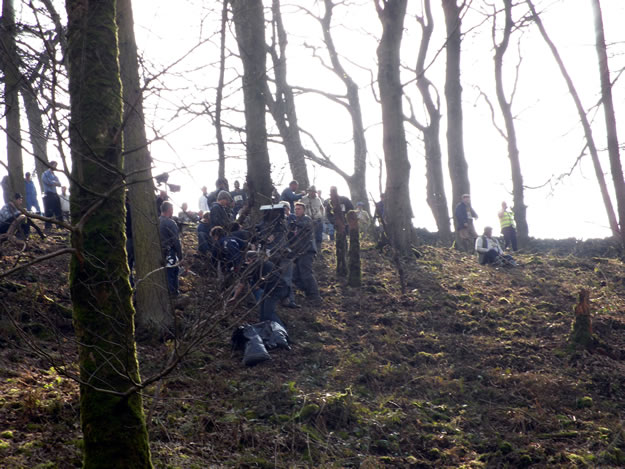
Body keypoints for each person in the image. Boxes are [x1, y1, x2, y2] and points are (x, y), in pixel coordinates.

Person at [289, 202, 321, 306]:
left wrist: (295, 224)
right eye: (296, 209)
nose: (297, 211)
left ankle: (315, 296)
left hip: (307, 251)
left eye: (299, 209)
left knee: (307, 274)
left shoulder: (306, 219)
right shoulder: (295, 222)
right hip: (298, 252)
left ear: (303, 210)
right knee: (295, 276)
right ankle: (308, 292)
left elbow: (306, 227)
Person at [159, 201, 183, 296]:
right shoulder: (170, 223)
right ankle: (173, 294)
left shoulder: (156, 221)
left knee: (165, 273)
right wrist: (180, 255)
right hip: (170, 251)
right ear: (169, 210)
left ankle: (168, 293)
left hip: (160, 251)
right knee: (172, 272)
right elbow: (176, 240)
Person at [41, 161, 63, 230]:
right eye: (54, 165)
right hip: (49, 194)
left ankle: (60, 225)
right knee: (49, 211)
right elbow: (48, 182)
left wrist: (54, 183)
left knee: (58, 210)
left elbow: (59, 184)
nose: (55, 167)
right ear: (50, 165)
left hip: (55, 194)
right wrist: (54, 182)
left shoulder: (54, 175)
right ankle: (48, 226)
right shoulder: (45, 174)